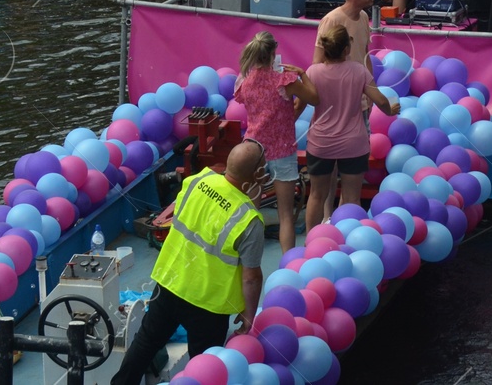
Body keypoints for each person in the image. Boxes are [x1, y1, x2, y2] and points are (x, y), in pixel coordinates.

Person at [108, 141, 266, 385]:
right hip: (208, 304)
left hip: (170, 281)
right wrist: (248, 315)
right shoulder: (249, 220)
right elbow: (251, 277)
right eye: (263, 168)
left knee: (146, 342)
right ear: (256, 174)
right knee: (203, 367)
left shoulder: (197, 181)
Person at [301, 25, 398, 227]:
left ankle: (310, 240)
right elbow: (380, 101)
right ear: (347, 49)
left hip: (320, 143)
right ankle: (349, 240)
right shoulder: (359, 71)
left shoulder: (313, 72)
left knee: (317, 195)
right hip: (353, 144)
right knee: (352, 199)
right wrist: (391, 110)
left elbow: (301, 103)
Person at [233, 32, 318, 257]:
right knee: (285, 215)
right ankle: (288, 261)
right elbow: (313, 97)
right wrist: (302, 74)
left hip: (253, 150)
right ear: (272, 54)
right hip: (282, 151)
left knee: (249, 211)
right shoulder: (284, 81)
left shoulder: (244, 82)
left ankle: (243, 257)